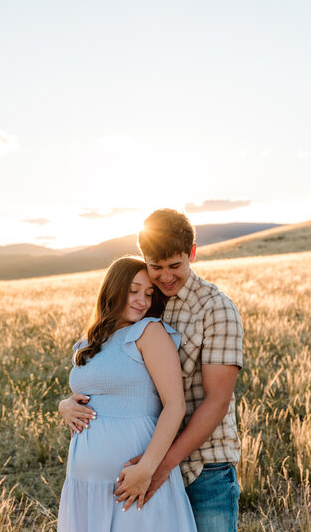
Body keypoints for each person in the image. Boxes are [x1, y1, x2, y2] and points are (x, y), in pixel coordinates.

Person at [59, 209, 243, 532]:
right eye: (156, 268)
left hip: (204, 466)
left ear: (192, 254)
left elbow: (217, 402)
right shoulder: (151, 303)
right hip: (146, 465)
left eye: (175, 266)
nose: (166, 277)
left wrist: (156, 467)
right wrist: (67, 404)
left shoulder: (216, 309)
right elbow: (119, 373)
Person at [57, 256, 197, 532]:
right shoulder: (88, 342)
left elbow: (175, 406)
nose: (142, 301)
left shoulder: (149, 332)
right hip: (85, 487)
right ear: (113, 289)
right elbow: (94, 392)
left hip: (134, 483)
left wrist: (146, 470)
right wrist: (64, 405)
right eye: (133, 291)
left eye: (148, 294)